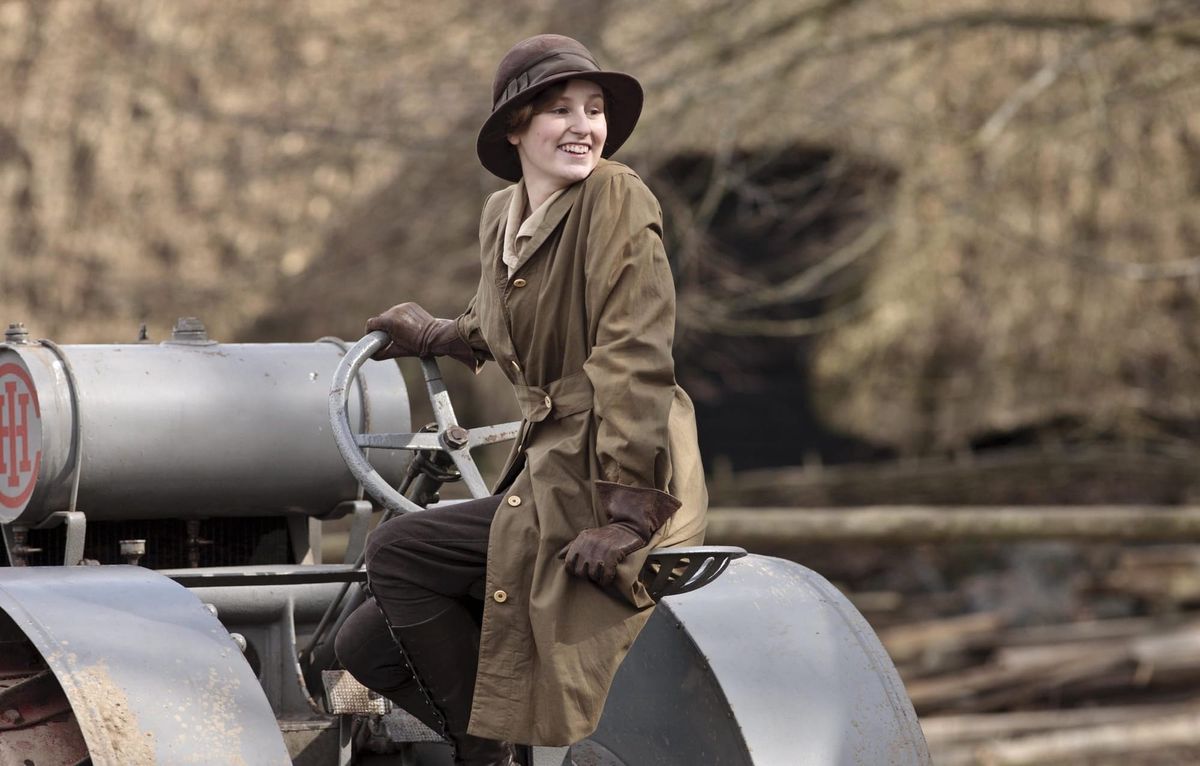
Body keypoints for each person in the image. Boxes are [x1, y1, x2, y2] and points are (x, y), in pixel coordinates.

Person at [334, 34, 707, 766]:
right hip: (548, 470)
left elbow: (634, 353)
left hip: (617, 473)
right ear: (515, 128)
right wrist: (439, 332)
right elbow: (501, 320)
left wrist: (630, 511)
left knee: (396, 550)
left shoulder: (615, 196)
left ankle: (487, 755)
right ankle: (490, 740)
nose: (583, 126)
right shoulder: (503, 217)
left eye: (594, 110)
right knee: (362, 644)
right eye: (559, 110)